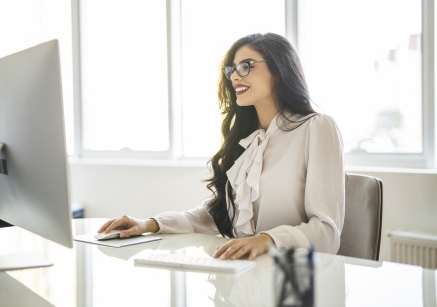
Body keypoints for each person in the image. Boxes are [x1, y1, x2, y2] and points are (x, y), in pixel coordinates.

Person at [98, 32, 345, 260]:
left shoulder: (317, 127)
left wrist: (267, 240)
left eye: (246, 66)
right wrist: (150, 224)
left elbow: (326, 231)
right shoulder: (247, 139)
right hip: (247, 277)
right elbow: (216, 215)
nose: (235, 76)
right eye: (232, 70)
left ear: (280, 69)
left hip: (296, 284)